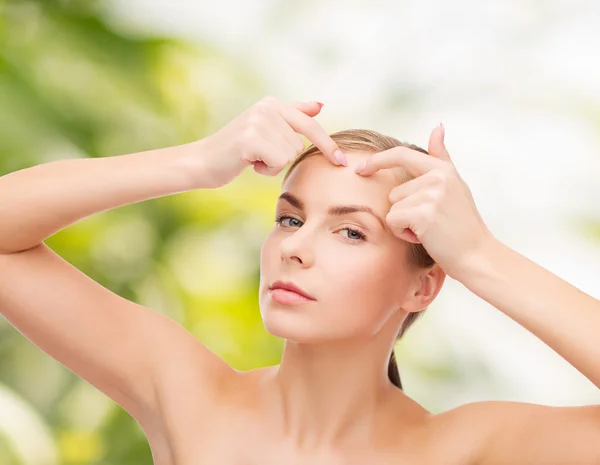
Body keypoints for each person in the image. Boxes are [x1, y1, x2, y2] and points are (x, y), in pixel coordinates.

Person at [0, 96, 599, 464]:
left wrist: (478, 255)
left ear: (422, 288)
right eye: (289, 218)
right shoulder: (191, 398)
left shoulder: (462, 449)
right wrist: (197, 162)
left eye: (351, 232)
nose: (296, 248)